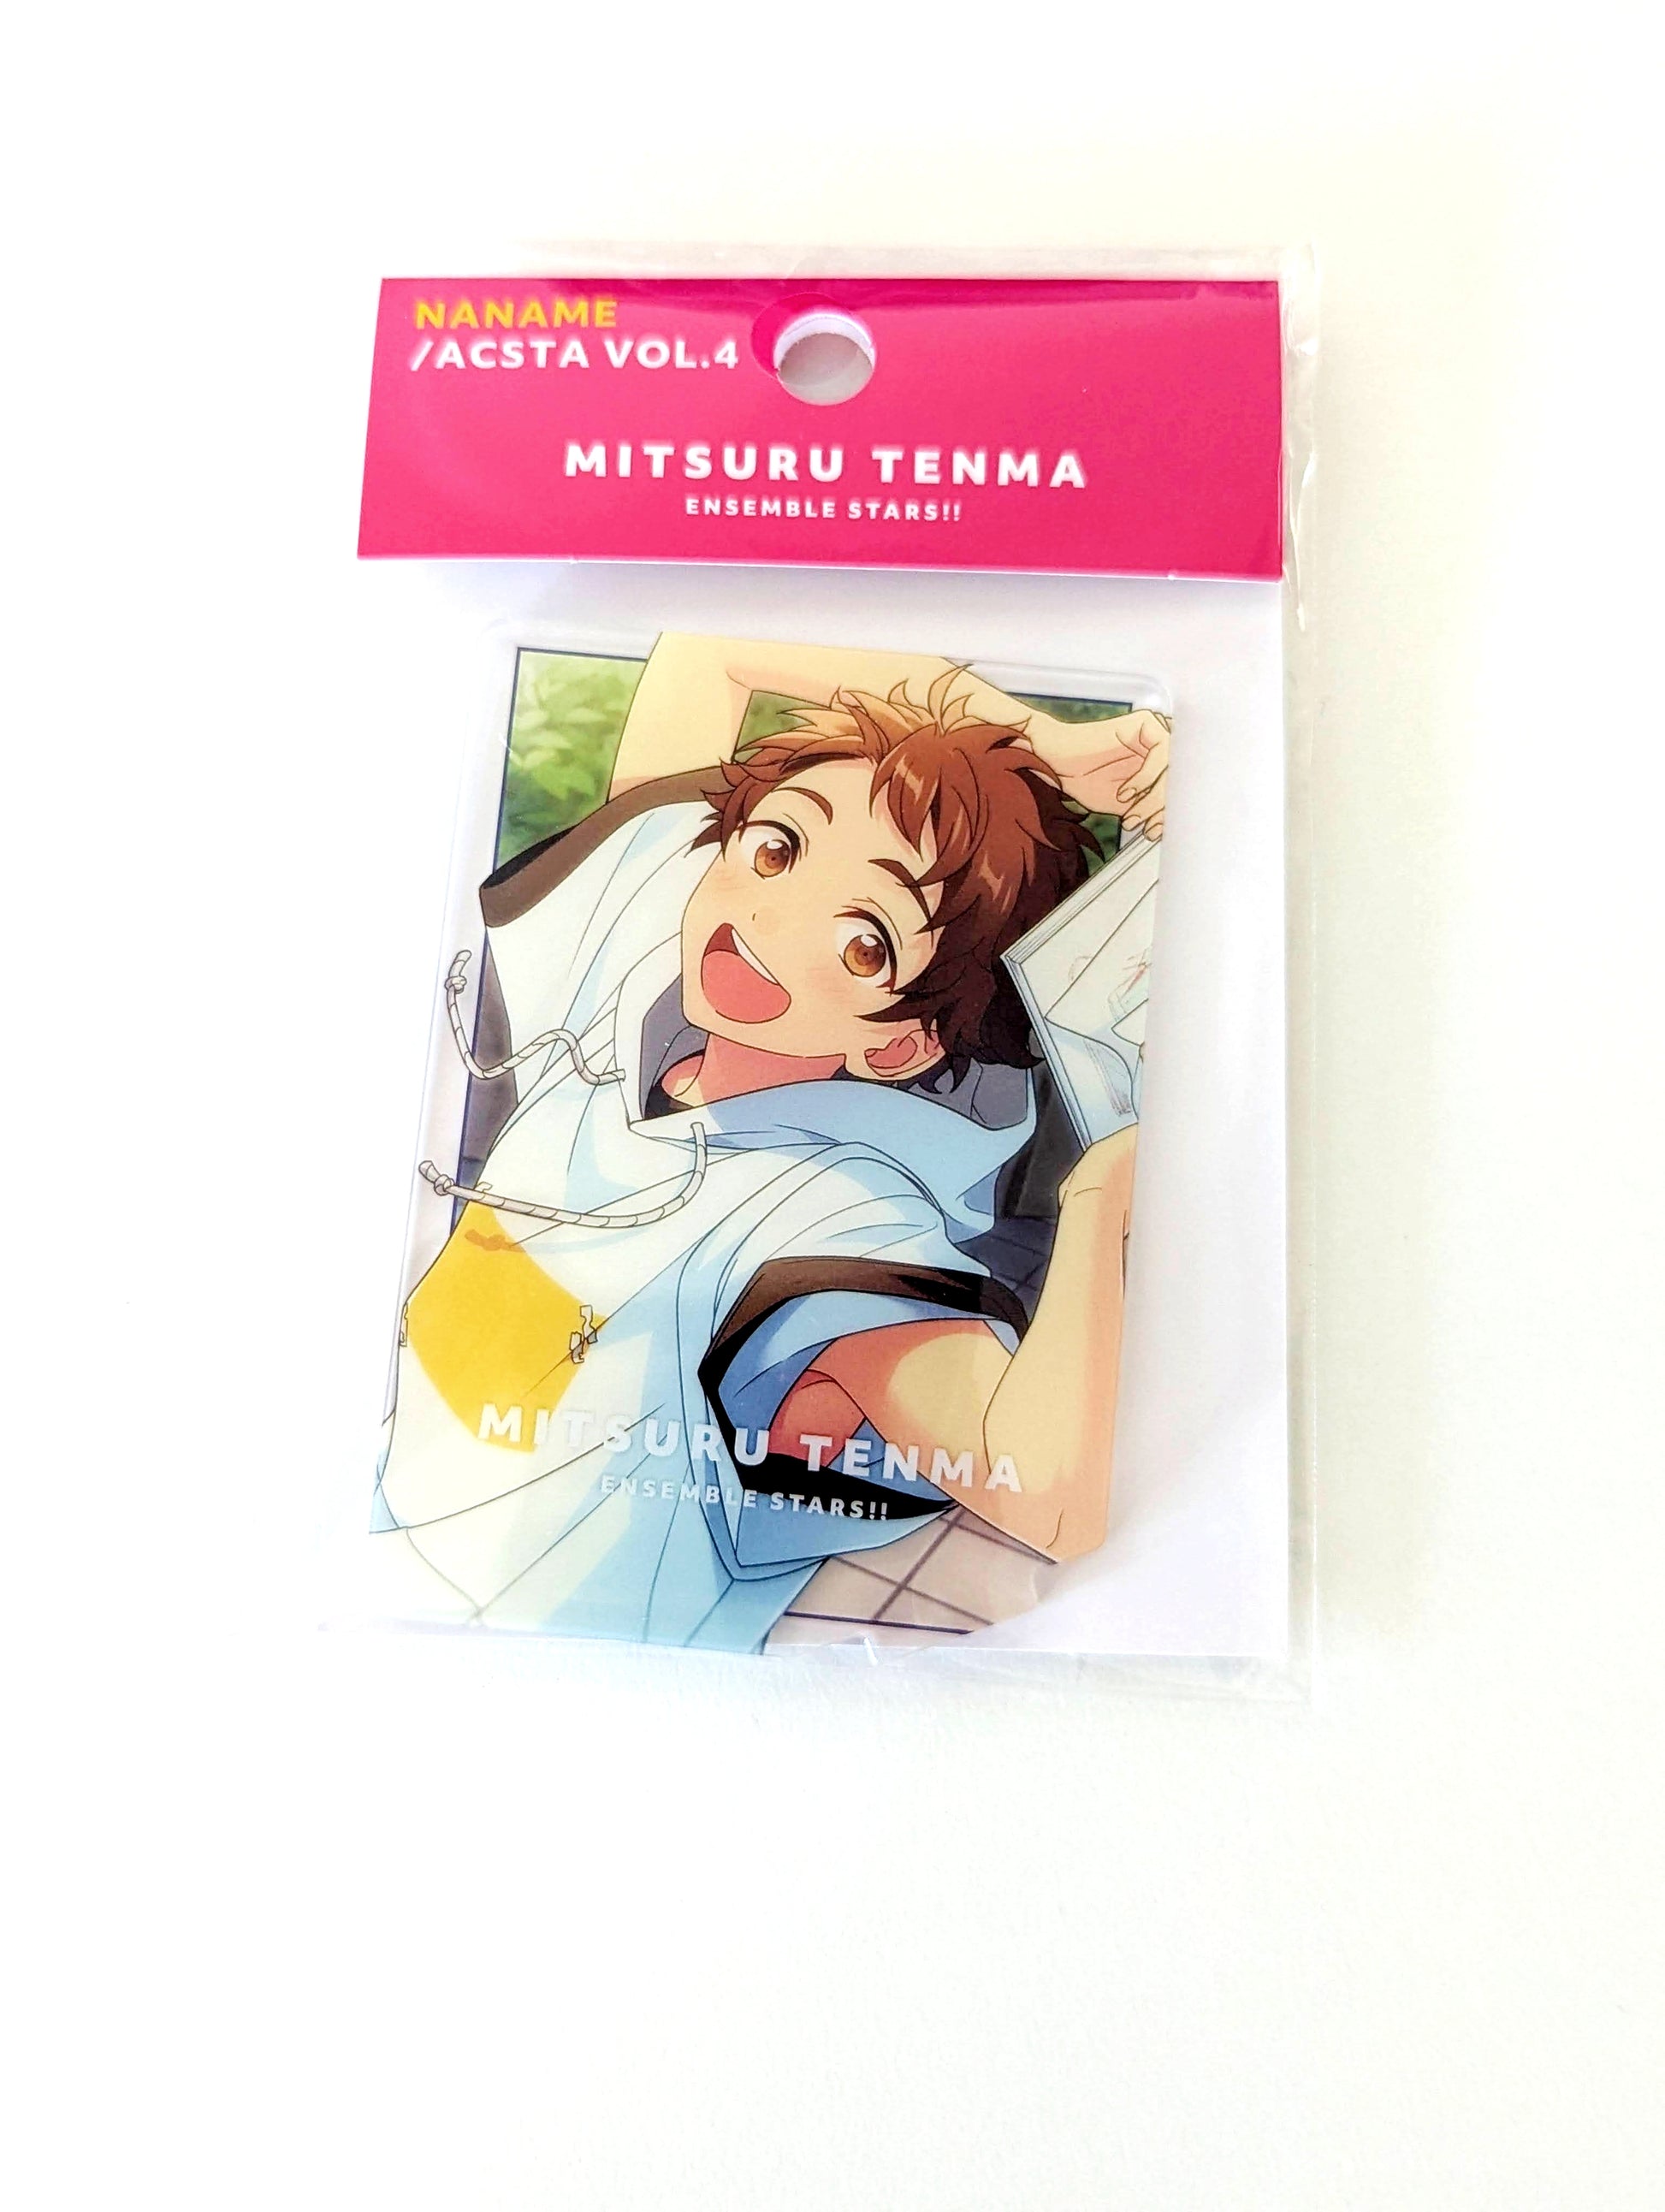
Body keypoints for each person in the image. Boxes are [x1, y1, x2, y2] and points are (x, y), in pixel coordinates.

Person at [369, 633, 1171, 1650]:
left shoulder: (836, 1213)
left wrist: (1100, 1197)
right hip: (379, 1558)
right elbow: (706, 656)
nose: (769, 918)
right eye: (778, 848)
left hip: (564, 1658)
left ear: (901, 1043)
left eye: (863, 939)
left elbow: (1048, 1499)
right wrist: (1038, 739)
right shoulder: (649, 940)